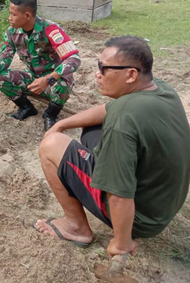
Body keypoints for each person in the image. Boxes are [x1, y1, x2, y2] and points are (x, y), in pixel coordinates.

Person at [34, 36, 190, 258]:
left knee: (50, 146)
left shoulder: (123, 120)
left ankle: (75, 227)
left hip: (141, 219)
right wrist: (62, 123)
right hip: (162, 203)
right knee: (92, 128)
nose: (98, 73)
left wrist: (121, 244)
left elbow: (119, 195)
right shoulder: (161, 89)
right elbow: (109, 110)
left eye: (103, 68)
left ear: (131, 74)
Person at [0, 0, 81, 131]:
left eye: (13, 14)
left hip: (53, 80)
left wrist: (48, 79)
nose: (9, 18)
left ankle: (51, 115)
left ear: (27, 16)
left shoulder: (51, 29)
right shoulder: (12, 33)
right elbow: (5, 59)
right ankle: (27, 107)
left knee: (64, 82)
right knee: (1, 77)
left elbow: (74, 58)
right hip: (32, 78)